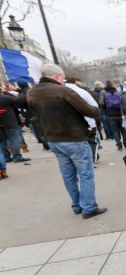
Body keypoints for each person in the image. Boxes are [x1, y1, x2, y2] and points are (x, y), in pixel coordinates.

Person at [27, 64, 107, 218]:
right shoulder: (63, 90)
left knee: (68, 175)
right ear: (57, 75)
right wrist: (97, 109)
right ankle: (88, 207)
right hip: (73, 137)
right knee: (85, 174)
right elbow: (90, 111)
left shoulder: (32, 93)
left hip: (53, 139)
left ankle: (77, 205)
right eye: (62, 77)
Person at [64, 76, 100, 164]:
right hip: (88, 121)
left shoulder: (59, 93)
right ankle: (91, 160)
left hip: (69, 125)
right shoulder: (83, 92)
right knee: (92, 141)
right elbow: (94, 106)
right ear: (75, 82)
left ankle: (83, 160)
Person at [0, 89, 29, 163]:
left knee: (2, 141)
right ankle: (17, 156)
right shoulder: (5, 98)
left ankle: (6, 157)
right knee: (13, 139)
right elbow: (19, 100)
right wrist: (20, 94)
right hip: (9, 122)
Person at [100, 80, 126, 151]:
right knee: (123, 130)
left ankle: (119, 145)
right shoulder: (117, 91)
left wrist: (105, 109)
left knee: (115, 130)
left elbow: (101, 103)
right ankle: (125, 143)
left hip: (110, 113)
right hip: (119, 113)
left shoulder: (103, 92)